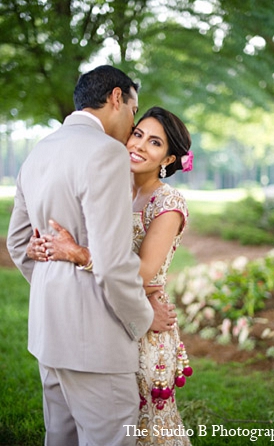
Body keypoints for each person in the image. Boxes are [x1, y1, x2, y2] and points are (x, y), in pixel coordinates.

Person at [6, 66, 177, 446]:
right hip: (96, 342)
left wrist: (56, 283)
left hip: (48, 334)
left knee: (60, 438)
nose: (133, 123)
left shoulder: (39, 150)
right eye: (134, 111)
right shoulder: (106, 153)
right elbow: (114, 264)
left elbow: (19, 243)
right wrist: (143, 317)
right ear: (117, 98)